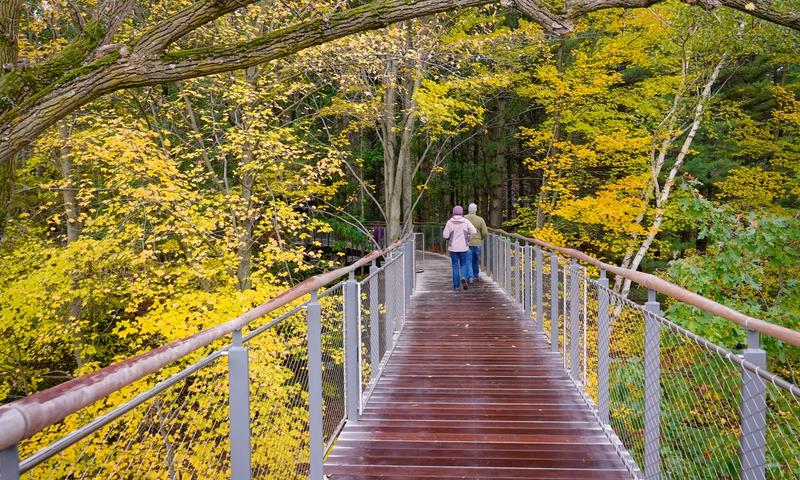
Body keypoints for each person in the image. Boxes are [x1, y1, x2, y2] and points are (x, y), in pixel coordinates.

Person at [443, 205, 477, 290]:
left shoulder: (449, 222)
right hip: (463, 247)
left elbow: (445, 235)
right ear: (462, 213)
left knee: (455, 266)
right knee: (464, 264)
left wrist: (449, 237)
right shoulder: (465, 221)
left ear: (453, 212)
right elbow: (474, 231)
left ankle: (456, 285)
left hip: (453, 248)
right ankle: (463, 277)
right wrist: (469, 238)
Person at [464, 202, 489, 283]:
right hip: (477, 242)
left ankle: (469, 277)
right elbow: (485, 232)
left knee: (468, 260)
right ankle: (476, 275)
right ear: (476, 210)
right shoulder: (480, 219)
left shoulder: (464, 218)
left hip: (466, 242)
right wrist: (480, 238)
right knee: (475, 260)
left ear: (468, 209)